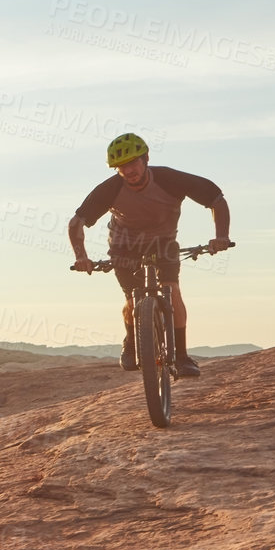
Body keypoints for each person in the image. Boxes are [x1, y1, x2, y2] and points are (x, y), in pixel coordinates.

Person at [68, 134, 232, 376]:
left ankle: (182, 356)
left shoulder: (169, 179)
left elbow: (216, 199)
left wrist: (221, 236)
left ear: (146, 159)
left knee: (171, 289)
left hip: (163, 242)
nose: (129, 170)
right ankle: (132, 342)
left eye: (133, 163)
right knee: (132, 298)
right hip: (124, 245)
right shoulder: (110, 190)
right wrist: (81, 257)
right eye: (122, 166)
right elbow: (76, 223)